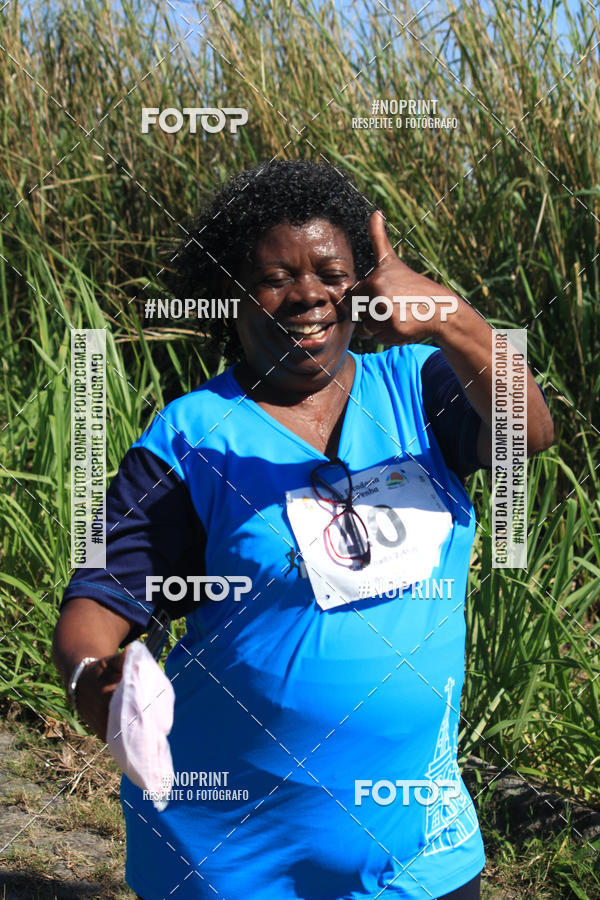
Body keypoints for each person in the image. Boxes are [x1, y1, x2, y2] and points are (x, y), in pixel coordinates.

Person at [52, 159, 554, 900]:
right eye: (276, 276)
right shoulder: (193, 439)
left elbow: (528, 436)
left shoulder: (419, 386)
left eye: (330, 271)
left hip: (421, 846)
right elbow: (95, 608)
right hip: (236, 856)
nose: (309, 293)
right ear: (232, 293)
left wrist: (451, 316)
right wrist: (100, 685)